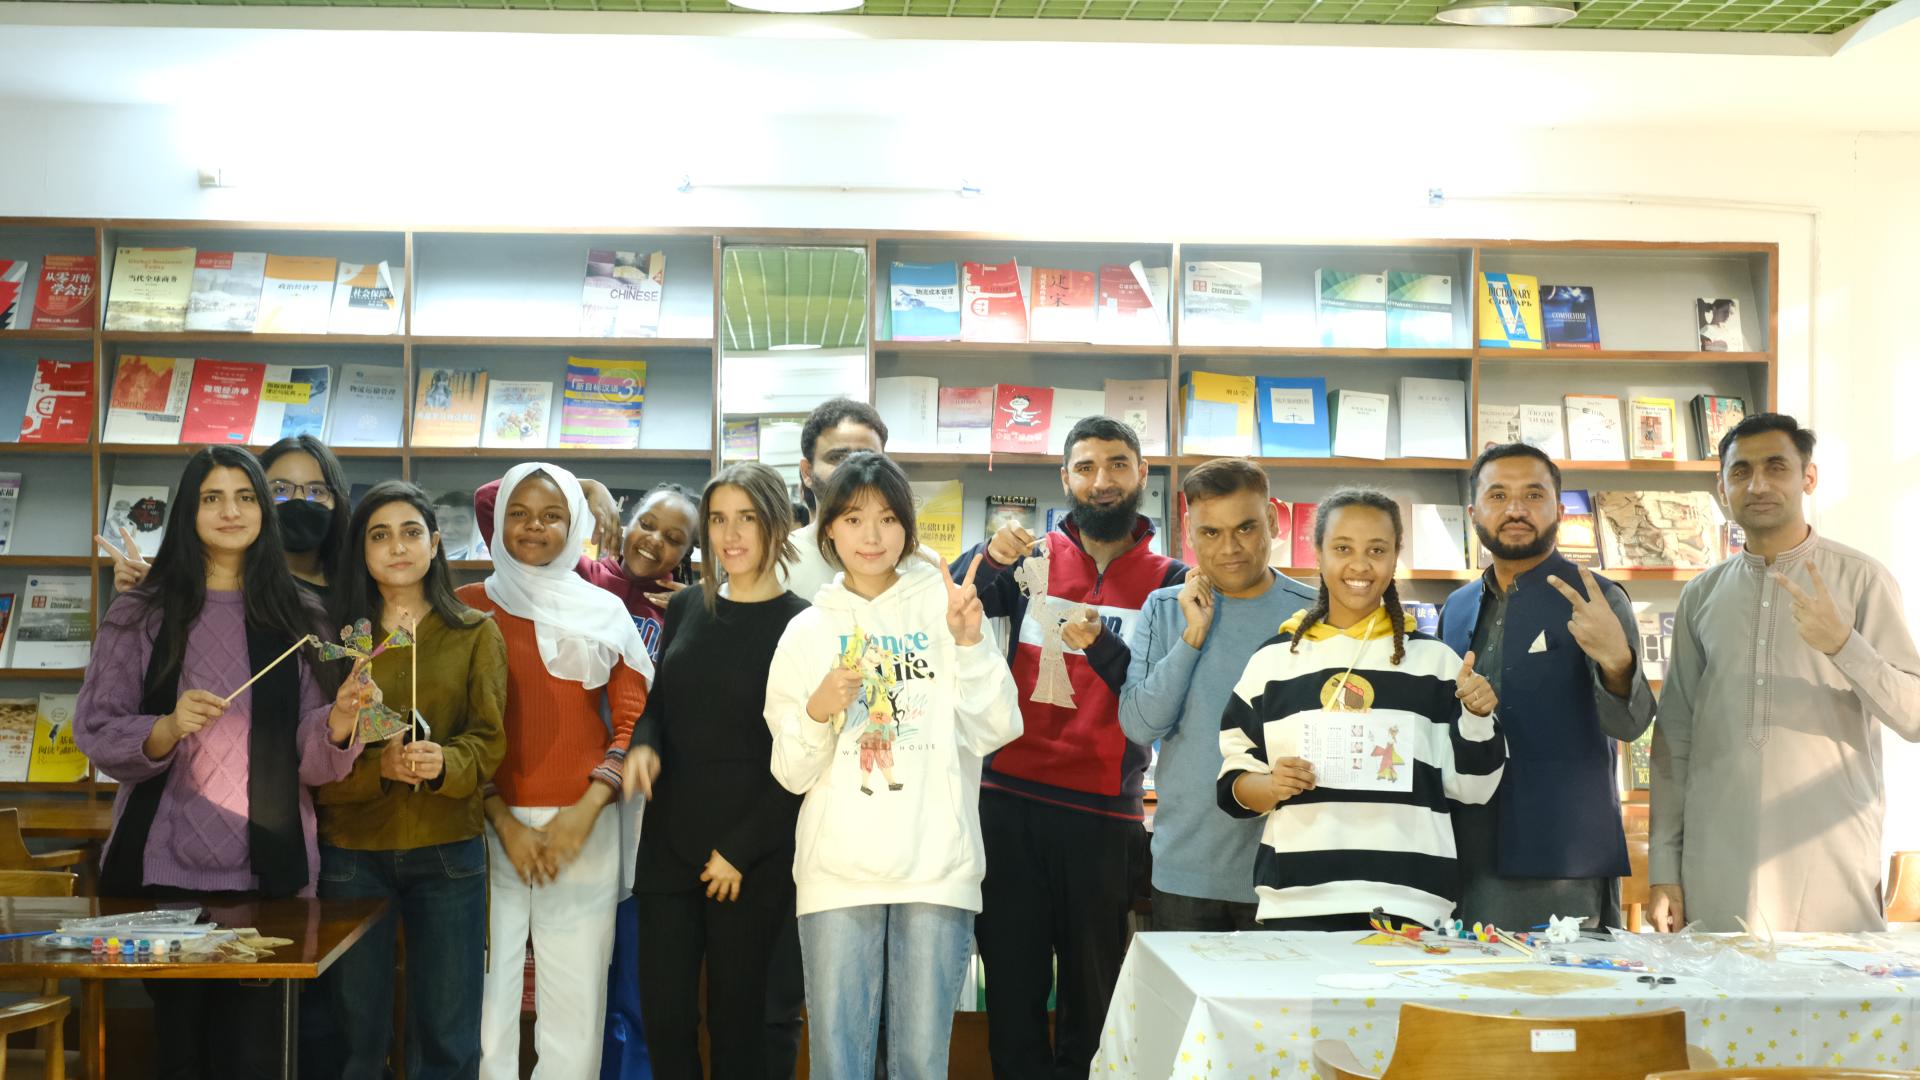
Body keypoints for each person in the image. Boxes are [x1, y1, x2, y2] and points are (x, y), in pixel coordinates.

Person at [71, 445, 371, 1078]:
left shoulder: (301, 615)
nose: (230, 511)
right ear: (189, 511)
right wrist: (166, 727)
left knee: (254, 1057)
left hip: (270, 874)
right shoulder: (141, 611)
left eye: (245, 497)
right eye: (212, 498)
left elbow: (313, 759)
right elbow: (96, 729)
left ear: (263, 510)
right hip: (163, 869)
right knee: (180, 1053)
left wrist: (341, 721)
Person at [767, 451, 1021, 1080]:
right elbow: (791, 773)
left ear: (908, 527)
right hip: (836, 875)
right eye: (853, 519)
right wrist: (819, 710)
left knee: (920, 1063)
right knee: (838, 1062)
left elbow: (996, 729)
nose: (872, 536)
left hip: (936, 869)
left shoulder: (949, 611)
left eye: (887, 518)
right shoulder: (806, 631)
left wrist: (969, 644)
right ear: (829, 528)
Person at [952, 414, 1184, 1080]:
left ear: (1142, 474)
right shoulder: (1031, 557)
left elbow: (1161, 700)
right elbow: (956, 606)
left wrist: (1104, 646)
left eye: (1117, 464)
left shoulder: (1172, 580)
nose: (1101, 480)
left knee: (1094, 1002)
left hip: (1103, 814)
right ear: (1065, 479)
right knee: (1013, 994)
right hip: (1008, 803)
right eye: (1085, 467)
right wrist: (988, 556)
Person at [1650, 414, 1920, 933]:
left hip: (1830, 854)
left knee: (1834, 986)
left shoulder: (1862, 579)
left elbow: (1913, 716)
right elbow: (1674, 736)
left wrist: (1843, 644)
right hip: (1717, 859)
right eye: (1741, 471)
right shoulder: (1701, 594)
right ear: (1722, 487)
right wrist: (1664, 868)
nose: (1758, 485)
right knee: (1720, 984)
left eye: (1776, 467)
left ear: (1808, 478)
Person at [1217, 488, 1505, 930]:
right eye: (1342, 548)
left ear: (1395, 558)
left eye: (1377, 550)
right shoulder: (1272, 662)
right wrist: (1272, 785)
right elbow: (1233, 786)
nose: (1360, 565)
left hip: (1409, 900)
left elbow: (1475, 788)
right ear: (1317, 553)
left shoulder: (1436, 663)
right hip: (1297, 900)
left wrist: (1479, 718)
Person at [458, 463, 654, 1080]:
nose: (533, 527)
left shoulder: (605, 610)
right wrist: (503, 821)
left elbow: (633, 719)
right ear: (498, 521)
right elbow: (451, 722)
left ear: (575, 527)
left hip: (583, 826)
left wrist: (585, 810)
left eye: (551, 516)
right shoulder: (466, 607)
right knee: (484, 998)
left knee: (576, 1001)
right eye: (518, 513)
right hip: (483, 826)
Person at [310, 481, 508, 1080]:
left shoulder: (476, 631)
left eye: (410, 532)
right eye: (379, 535)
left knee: (447, 1034)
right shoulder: (338, 638)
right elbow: (313, 746)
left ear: (435, 543)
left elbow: (489, 739)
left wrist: (444, 762)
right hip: (352, 850)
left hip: (447, 846)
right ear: (361, 550)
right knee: (355, 1034)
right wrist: (380, 768)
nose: (397, 546)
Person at [621, 463, 808, 1079]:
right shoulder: (686, 607)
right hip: (669, 846)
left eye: (747, 518)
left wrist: (740, 850)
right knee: (665, 1022)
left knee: (738, 1032)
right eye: (719, 519)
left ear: (777, 525)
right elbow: (659, 706)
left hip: (748, 858)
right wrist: (644, 745)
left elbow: (803, 755)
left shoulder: (803, 624)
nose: (731, 535)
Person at [1439, 443, 1655, 930]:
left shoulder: (1597, 598)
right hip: (1461, 846)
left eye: (1533, 495)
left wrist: (1617, 661)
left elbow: (1631, 724)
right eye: (1498, 495)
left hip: (1561, 857)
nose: (1515, 509)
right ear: (1473, 514)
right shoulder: (1457, 606)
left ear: (1559, 509)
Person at [1118, 458, 1316, 931]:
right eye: (1210, 533)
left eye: (1246, 528)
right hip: (1187, 869)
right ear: (1189, 531)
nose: (1229, 548)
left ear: (1273, 520)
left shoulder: (1316, 614)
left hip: (1287, 872)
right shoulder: (1164, 608)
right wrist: (1193, 636)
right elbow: (1141, 725)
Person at [96, 433, 354, 595]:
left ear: (338, 499)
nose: (298, 501)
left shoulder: (359, 583)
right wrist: (155, 589)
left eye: (316, 491)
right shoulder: (224, 589)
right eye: (280, 490)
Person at [786, 397, 888, 602]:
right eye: (838, 458)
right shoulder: (777, 562)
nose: (854, 469)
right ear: (807, 472)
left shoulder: (915, 562)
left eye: (867, 457)